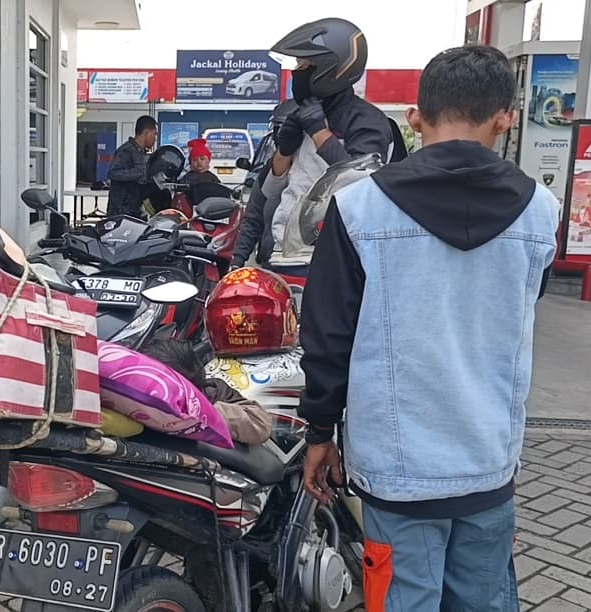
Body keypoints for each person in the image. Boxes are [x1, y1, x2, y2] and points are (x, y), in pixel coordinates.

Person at [299, 46, 559, 611]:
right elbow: (524, 304)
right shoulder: (542, 211)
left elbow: (326, 338)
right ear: (505, 118)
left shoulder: (359, 208)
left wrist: (319, 431)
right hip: (488, 461)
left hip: (396, 469)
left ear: (415, 119)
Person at [261, 17, 394, 277]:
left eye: (303, 64)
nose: (296, 71)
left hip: (335, 258)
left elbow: (364, 188)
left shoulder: (366, 121)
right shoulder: (302, 114)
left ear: (330, 68)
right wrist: (284, 151)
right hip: (284, 251)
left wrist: (320, 133)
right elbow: (269, 191)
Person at [232, 99, 298, 268]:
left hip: (307, 269)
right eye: (280, 132)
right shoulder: (269, 172)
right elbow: (253, 219)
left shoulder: (323, 174)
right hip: (270, 265)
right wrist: (237, 262)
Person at [107, 115, 158, 219]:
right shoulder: (126, 151)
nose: (155, 139)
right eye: (154, 134)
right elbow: (113, 173)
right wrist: (140, 172)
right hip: (121, 212)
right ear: (146, 133)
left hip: (135, 211)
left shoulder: (142, 154)